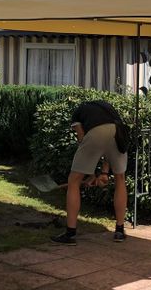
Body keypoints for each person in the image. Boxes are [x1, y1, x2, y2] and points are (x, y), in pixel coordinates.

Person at [51, 99, 128, 245]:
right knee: (120, 178)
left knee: (73, 181)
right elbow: (108, 146)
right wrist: (104, 173)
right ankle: (119, 231)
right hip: (118, 131)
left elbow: (82, 139)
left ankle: (70, 233)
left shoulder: (77, 113)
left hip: (96, 133)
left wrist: (88, 174)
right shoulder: (108, 108)